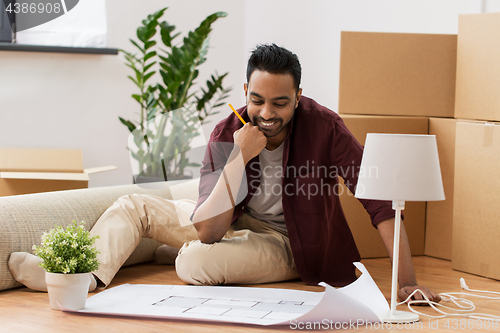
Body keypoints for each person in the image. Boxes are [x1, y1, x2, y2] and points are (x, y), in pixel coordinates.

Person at [9, 43, 440, 304]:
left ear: (298, 97)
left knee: (193, 260)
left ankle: (168, 255)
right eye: (257, 100)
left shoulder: (325, 126)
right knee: (133, 204)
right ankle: (81, 279)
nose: (267, 114)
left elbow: (379, 199)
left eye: (281, 103)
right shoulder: (227, 131)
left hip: (292, 243)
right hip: (229, 227)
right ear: (246, 93)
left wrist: (405, 283)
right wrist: (238, 158)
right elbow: (211, 228)